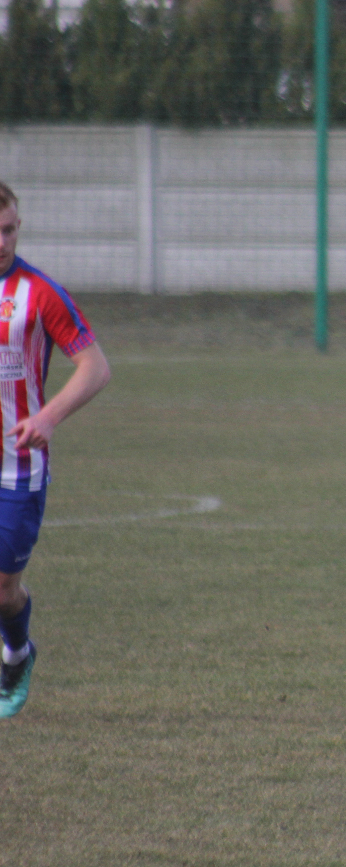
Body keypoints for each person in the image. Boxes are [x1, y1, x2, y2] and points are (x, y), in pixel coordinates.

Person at [0, 181, 111, 719]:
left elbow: (96, 367)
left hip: (18, 467)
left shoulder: (40, 293)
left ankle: (17, 654)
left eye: (9, 229)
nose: (2, 239)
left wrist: (47, 416)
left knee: (3, 589)